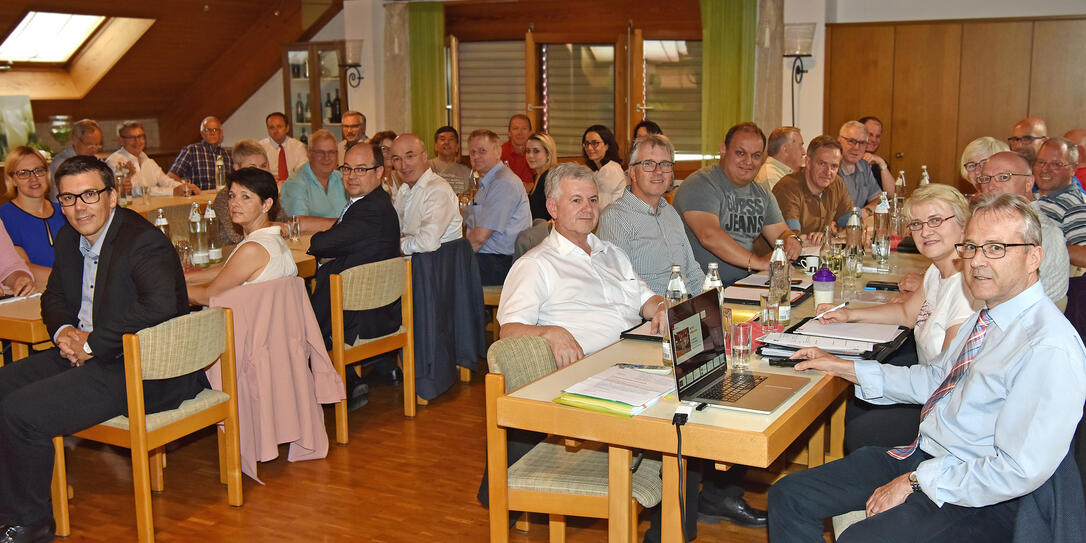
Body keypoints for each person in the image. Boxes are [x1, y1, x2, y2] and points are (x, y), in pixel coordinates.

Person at [769, 192, 1086, 543]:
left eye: (996, 248)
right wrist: (843, 366)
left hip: (980, 495)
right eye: (972, 247)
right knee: (789, 495)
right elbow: (936, 379)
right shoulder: (988, 315)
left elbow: (1018, 469)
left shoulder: (1047, 347)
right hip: (927, 456)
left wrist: (917, 481)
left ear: (1033, 257)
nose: (978, 262)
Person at [0, 156, 205, 543]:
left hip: (140, 364)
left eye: (90, 194)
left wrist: (92, 342)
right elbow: (55, 295)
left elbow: (160, 306)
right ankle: (9, 505)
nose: (79, 207)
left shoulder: (142, 239)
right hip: (85, 353)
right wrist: (64, 333)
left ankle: (30, 523)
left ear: (112, 197)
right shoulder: (67, 237)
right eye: (69, 198)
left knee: (21, 412)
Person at [818, 184, 982, 451]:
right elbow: (906, 313)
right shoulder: (938, 270)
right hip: (930, 388)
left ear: (964, 224)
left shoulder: (967, 289)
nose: (925, 231)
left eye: (935, 221)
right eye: (916, 224)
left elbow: (948, 381)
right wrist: (848, 314)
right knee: (857, 408)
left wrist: (841, 366)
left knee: (863, 428)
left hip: (951, 410)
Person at [308, 142, 401, 411]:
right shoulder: (373, 203)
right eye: (347, 168)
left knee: (293, 317)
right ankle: (346, 380)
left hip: (358, 315)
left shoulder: (369, 210)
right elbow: (338, 241)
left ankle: (323, 391)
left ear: (380, 171)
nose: (351, 176)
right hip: (369, 307)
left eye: (361, 169)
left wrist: (321, 241)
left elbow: (321, 246)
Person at [673, 122, 802, 285]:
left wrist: (791, 240)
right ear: (723, 150)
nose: (748, 161)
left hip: (744, 285)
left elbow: (781, 233)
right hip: (703, 291)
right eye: (740, 153)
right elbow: (709, 236)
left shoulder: (762, 194)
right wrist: (759, 263)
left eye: (756, 155)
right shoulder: (701, 184)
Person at [598, 134, 705, 295]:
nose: (658, 171)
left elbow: (693, 271)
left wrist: (714, 306)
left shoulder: (670, 212)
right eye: (648, 164)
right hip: (650, 315)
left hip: (686, 310)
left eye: (665, 164)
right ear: (632, 172)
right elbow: (619, 285)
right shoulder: (615, 218)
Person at [187, 168, 297, 307]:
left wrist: (169, 289)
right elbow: (229, 270)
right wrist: (187, 278)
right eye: (232, 196)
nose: (234, 203)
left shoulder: (252, 249)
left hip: (244, 325)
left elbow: (209, 297)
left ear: (266, 204)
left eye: (245, 197)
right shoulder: (274, 239)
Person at [974, 151, 1070, 303]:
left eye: (1004, 177)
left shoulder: (1042, 232)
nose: (991, 186)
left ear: (1029, 183)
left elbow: (1014, 295)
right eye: (985, 179)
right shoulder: (989, 224)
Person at [465, 129, 531, 285]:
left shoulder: (503, 183)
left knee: (439, 270)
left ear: (498, 152)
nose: (476, 156)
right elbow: (469, 220)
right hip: (490, 257)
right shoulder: (489, 181)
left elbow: (480, 238)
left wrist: (456, 255)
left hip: (500, 263)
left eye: (482, 151)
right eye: (472, 152)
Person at [391, 133, 463, 255]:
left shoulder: (438, 190)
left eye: (410, 156)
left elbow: (427, 242)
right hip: (414, 265)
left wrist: (393, 245)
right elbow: (394, 230)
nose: (403, 165)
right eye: (397, 159)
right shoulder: (404, 189)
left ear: (424, 156)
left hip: (438, 267)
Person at [772, 135, 852, 240]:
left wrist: (832, 236)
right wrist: (832, 237)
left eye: (834, 166)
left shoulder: (837, 183)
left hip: (815, 253)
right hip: (777, 255)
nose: (828, 172)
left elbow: (854, 226)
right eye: (822, 163)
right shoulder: (788, 187)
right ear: (808, 162)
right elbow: (792, 239)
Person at [211, 140, 288, 246]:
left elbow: (285, 223)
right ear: (237, 168)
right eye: (253, 167)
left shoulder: (266, 191)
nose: (261, 171)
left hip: (265, 244)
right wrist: (271, 226)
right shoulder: (225, 196)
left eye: (263, 165)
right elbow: (236, 236)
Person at [0, 147, 66, 270]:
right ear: (12, 180)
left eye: (38, 170)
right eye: (23, 173)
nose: (33, 178)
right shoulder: (4, 218)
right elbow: (23, 269)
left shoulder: (64, 211)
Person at [106, 121, 197, 198]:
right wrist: (171, 191)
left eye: (140, 136)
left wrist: (186, 187)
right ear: (121, 140)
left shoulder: (149, 161)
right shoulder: (114, 161)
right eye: (131, 137)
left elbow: (166, 181)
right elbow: (135, 190)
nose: (137, 141)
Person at [1033, 137, 1086, 268]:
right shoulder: (1032, 195)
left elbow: (1084, 256)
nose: (1045, 169)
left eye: (1056, 164)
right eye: (1041, 162)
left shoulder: (1073, 206)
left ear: (1073, 169)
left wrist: (1043, 247)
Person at [279, 129, 345, 234]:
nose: (326, 157)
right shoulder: (295, 183)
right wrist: (346, 223)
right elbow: (298, 223)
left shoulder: (343, 178)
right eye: (320, 152)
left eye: (331, 152)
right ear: (309, 154)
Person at [167, 116, 232, 190]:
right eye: (208, 130)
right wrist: (187, 188)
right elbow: (171, 175)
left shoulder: (228, 155)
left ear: (220, 133)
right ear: (202, 133)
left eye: (215, 130)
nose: (212, 133)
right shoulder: (191, 151)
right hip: (198, 198)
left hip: (223, 198)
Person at [47, 119, 102, 201]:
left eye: (97, 144)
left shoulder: (95, 159)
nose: (94, 149)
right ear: (75, 140)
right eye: (89, 144)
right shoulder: (62, 163)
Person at [837, 120, 881, 213]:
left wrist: (866, 211)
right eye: (851, 141)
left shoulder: (864, 165)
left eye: (862, 143)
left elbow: (878, 199)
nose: (856, 147)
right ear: (839, 141)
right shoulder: (831, 169)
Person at [582, 125, 626, 209]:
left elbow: (600, 206)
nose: (589, 148)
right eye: (586, 143)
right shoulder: (596, 170)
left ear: (606, 146)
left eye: (595, 143)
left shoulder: (611, 169)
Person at [259, 112, 308, 182]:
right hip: (269, 186)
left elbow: (303, 172)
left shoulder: (298, 146)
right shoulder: (260, 147)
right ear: (267, 129)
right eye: (272, 127)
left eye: (279, 127)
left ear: (287, 128)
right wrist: (267, 177)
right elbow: (257, 173)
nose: (276, 131)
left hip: (293, 185)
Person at [756, 126, 804, 190]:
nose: (804, 152)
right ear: (785, 149)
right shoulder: (771, 176)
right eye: (800, 146)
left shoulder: (782, 174)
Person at [428, 125, 472, 195]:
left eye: (451, 139)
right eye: (442, 139)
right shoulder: (425, 167)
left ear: (457, 147)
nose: (446, 142)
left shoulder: (467, 173)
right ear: (435, 146)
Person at [524, 131, 558, 220]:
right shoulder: (538, 176)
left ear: (548, 154)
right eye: (528, 151)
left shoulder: (548, 178)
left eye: (536, 151)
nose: (530, 156)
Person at [859, 116, 895, 193]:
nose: (874, 140)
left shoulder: (879, 162)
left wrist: (881, 163)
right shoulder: (850, 161)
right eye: (870, 135)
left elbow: (892, 194)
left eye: (877, 136)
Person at [501, 114, 535, 190]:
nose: (520, 133)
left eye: (524, 128)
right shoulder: (499, 154)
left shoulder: (537, 153)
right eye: (515, 128)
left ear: (530, 133)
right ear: (509, 133)